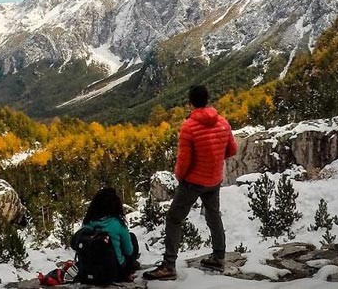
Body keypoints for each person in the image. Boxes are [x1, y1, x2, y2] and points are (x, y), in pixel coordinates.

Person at [144, 85, 238, 280]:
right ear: (208, 100)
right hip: (214, 179)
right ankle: (218, 256)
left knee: (174, 218)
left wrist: (180, 177)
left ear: (190, 103)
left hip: (193, 181)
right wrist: (215, 161)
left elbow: (184, 161)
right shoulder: (222, 122)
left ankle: (169, 266)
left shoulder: (189, 127)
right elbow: (232, 150)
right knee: (213, 216)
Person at [78, 187, 140, 282]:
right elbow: (129, 251)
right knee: (132, 238)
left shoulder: (87, 223)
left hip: (90, 271)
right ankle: (130, 269)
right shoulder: (117, 224)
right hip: (115, 271)